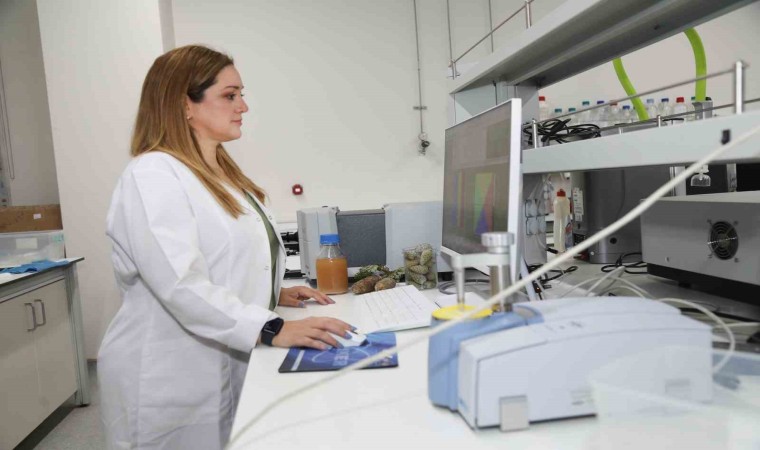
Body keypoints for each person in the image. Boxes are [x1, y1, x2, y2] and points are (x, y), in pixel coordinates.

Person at [98, 45, 353, 450]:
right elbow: (179, 283)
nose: (243, 106)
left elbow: (227, 259)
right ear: (185, 104)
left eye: (241, 94)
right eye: (230, 95)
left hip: (222, 359)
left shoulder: (222, 174)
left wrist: (271, 292)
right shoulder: (152, 175)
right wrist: (272, 327)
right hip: (169, 376)